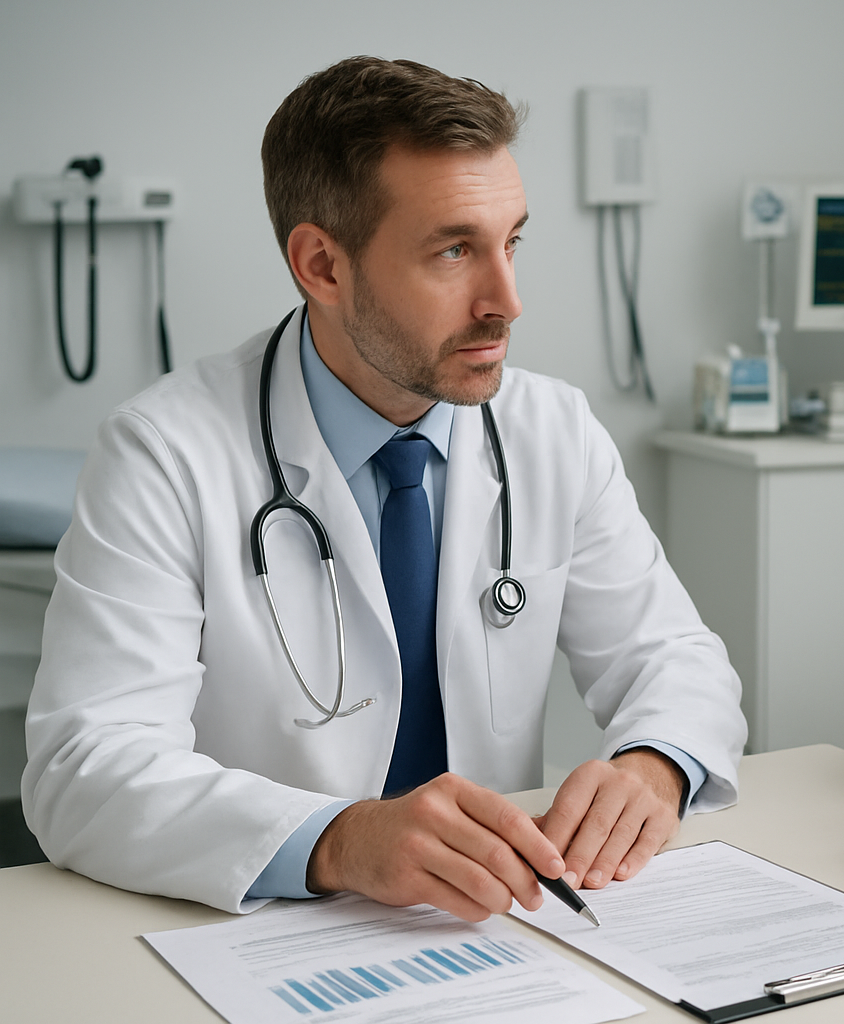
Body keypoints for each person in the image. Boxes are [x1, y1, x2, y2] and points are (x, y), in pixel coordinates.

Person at [22, 57, 747, 920]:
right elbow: (84, 768)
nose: (507, 301)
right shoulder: (164, 453)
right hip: (264, 932)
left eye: (512, 242)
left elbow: (673, 657)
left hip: (502, 928)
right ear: (322, 266)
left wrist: (656, 765)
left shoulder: (553, 430)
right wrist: (339, 840)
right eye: (454, 251)